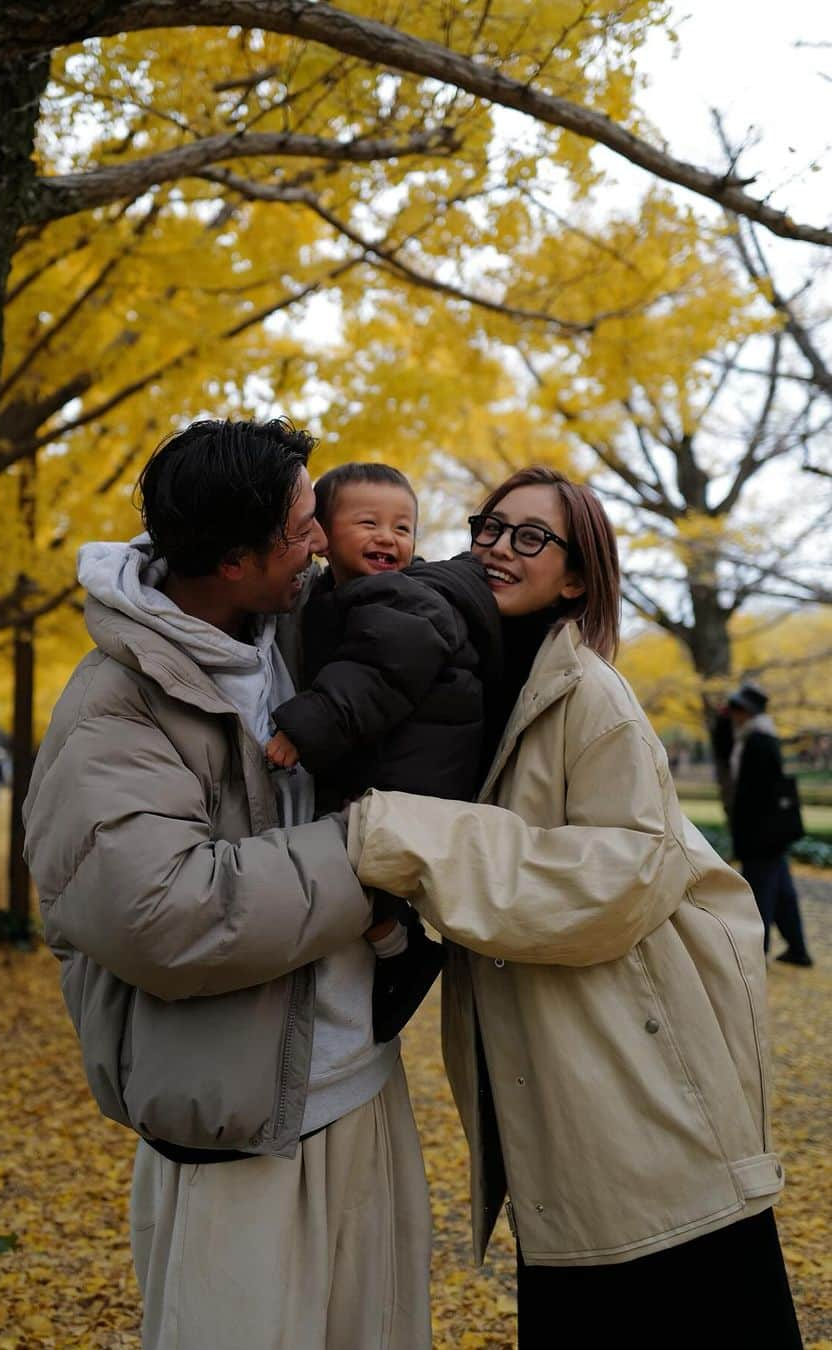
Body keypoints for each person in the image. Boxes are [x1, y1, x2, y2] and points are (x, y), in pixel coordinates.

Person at [344, 466, 801, 1348]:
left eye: (530, 537)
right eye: (489, 528)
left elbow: (620, 877)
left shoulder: (590, 694)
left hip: (634, 1086)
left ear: (579, 576)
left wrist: (399, 834)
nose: (496, 549)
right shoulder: (485, 684)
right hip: (560, 1089)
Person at [22, 419, 431, 1350]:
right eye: (301, 526)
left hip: (363, 1086)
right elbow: (161, 915)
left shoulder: (310, 626)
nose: (323, 537)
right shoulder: (112, 704)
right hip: (238, 1125)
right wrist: (374, 851)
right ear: (237, 561)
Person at [265, 462, 502, 1041]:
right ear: (319, 531)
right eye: (367, 522)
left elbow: (375, 674)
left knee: (347, 871)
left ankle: (406, 956)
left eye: (403, 527)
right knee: (349, 873)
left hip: (419, 774)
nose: (388, 537)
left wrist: (304, 728)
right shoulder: (329, 596)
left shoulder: (403, 599)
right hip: (392, 765)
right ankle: (399, 950)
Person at [728, 681, 814, 967]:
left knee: (759, 893)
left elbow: (754, 795)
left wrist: (747, 835)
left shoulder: (756, 741)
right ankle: (797, 949)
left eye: (736, 709)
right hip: (773, 835)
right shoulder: (764, 737)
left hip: (761, 835)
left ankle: (755, 953)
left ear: (745, 711)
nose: (732, 715)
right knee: (782, 893)